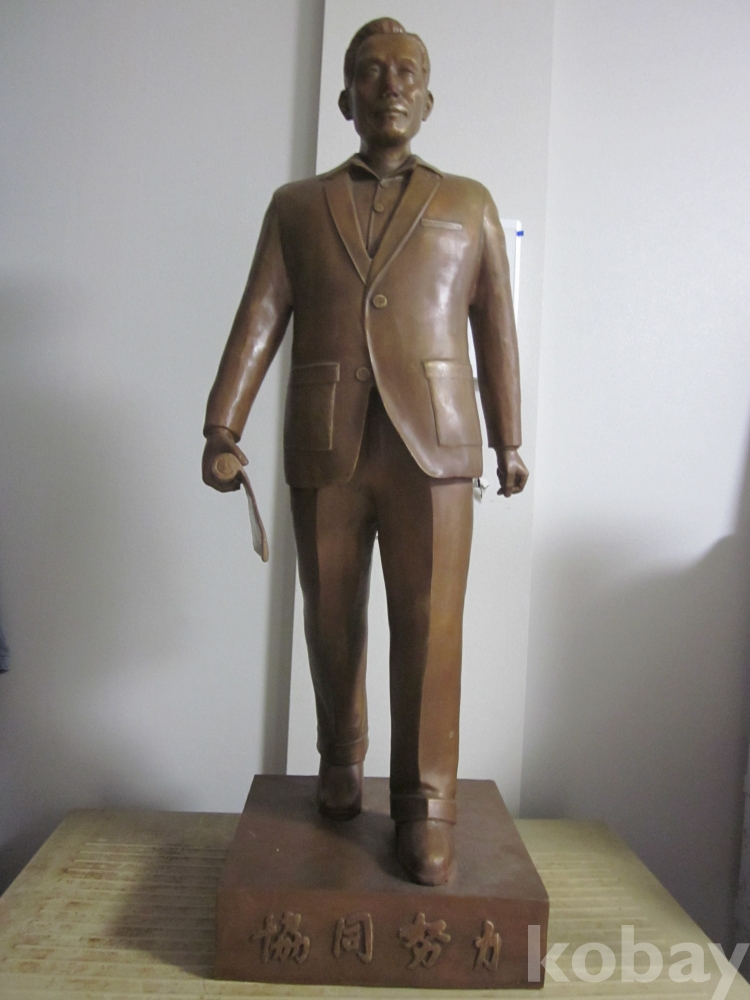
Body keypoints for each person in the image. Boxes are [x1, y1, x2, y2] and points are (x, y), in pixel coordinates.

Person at [202, 17, 528, 885]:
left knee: (432, 625)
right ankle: (340, 759)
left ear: (429, 98)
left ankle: (427, 806)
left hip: (438, 448)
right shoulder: (296, 207)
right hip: (328, 438)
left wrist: (510, 439)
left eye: (407, 71)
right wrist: (221, 427)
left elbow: (497, 327)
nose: (390, 85)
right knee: (330, 616)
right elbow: (259, 316)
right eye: (371, 72)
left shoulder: (469, 203)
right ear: (345, 99)